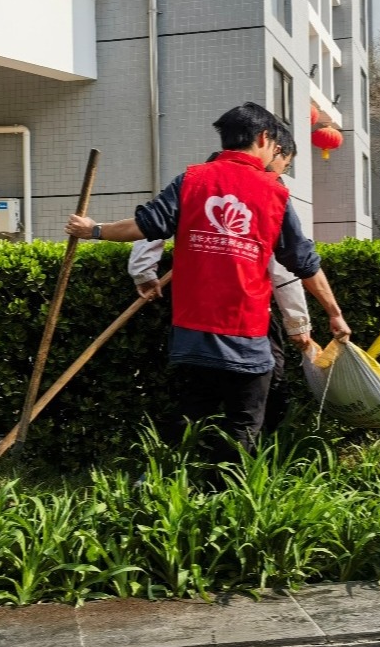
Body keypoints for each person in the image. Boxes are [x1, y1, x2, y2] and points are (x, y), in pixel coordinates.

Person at [65, 102, 350, 462]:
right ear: (263, 138)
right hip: (245, 332)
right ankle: (223, 497)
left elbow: (145, 226)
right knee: (242, 426)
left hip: (191, 333)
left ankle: (164, 485)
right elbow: (303, 262)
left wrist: (94, 230)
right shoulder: (273, 191)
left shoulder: (192, 179)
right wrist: (334, 313)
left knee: (188, 419)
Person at [127, 138, 312, 436]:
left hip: (194, 315)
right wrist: (298, 323)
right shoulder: (265, 192)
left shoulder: (194, 180)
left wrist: (143, 273)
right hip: (243, 318)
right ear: (271, 150)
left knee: (199, 397)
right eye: (284, 165)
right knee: (257, 397)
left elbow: (152, 226)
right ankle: (242, 463)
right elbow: (284, 270)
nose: (281, 173)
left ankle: (177, 464)